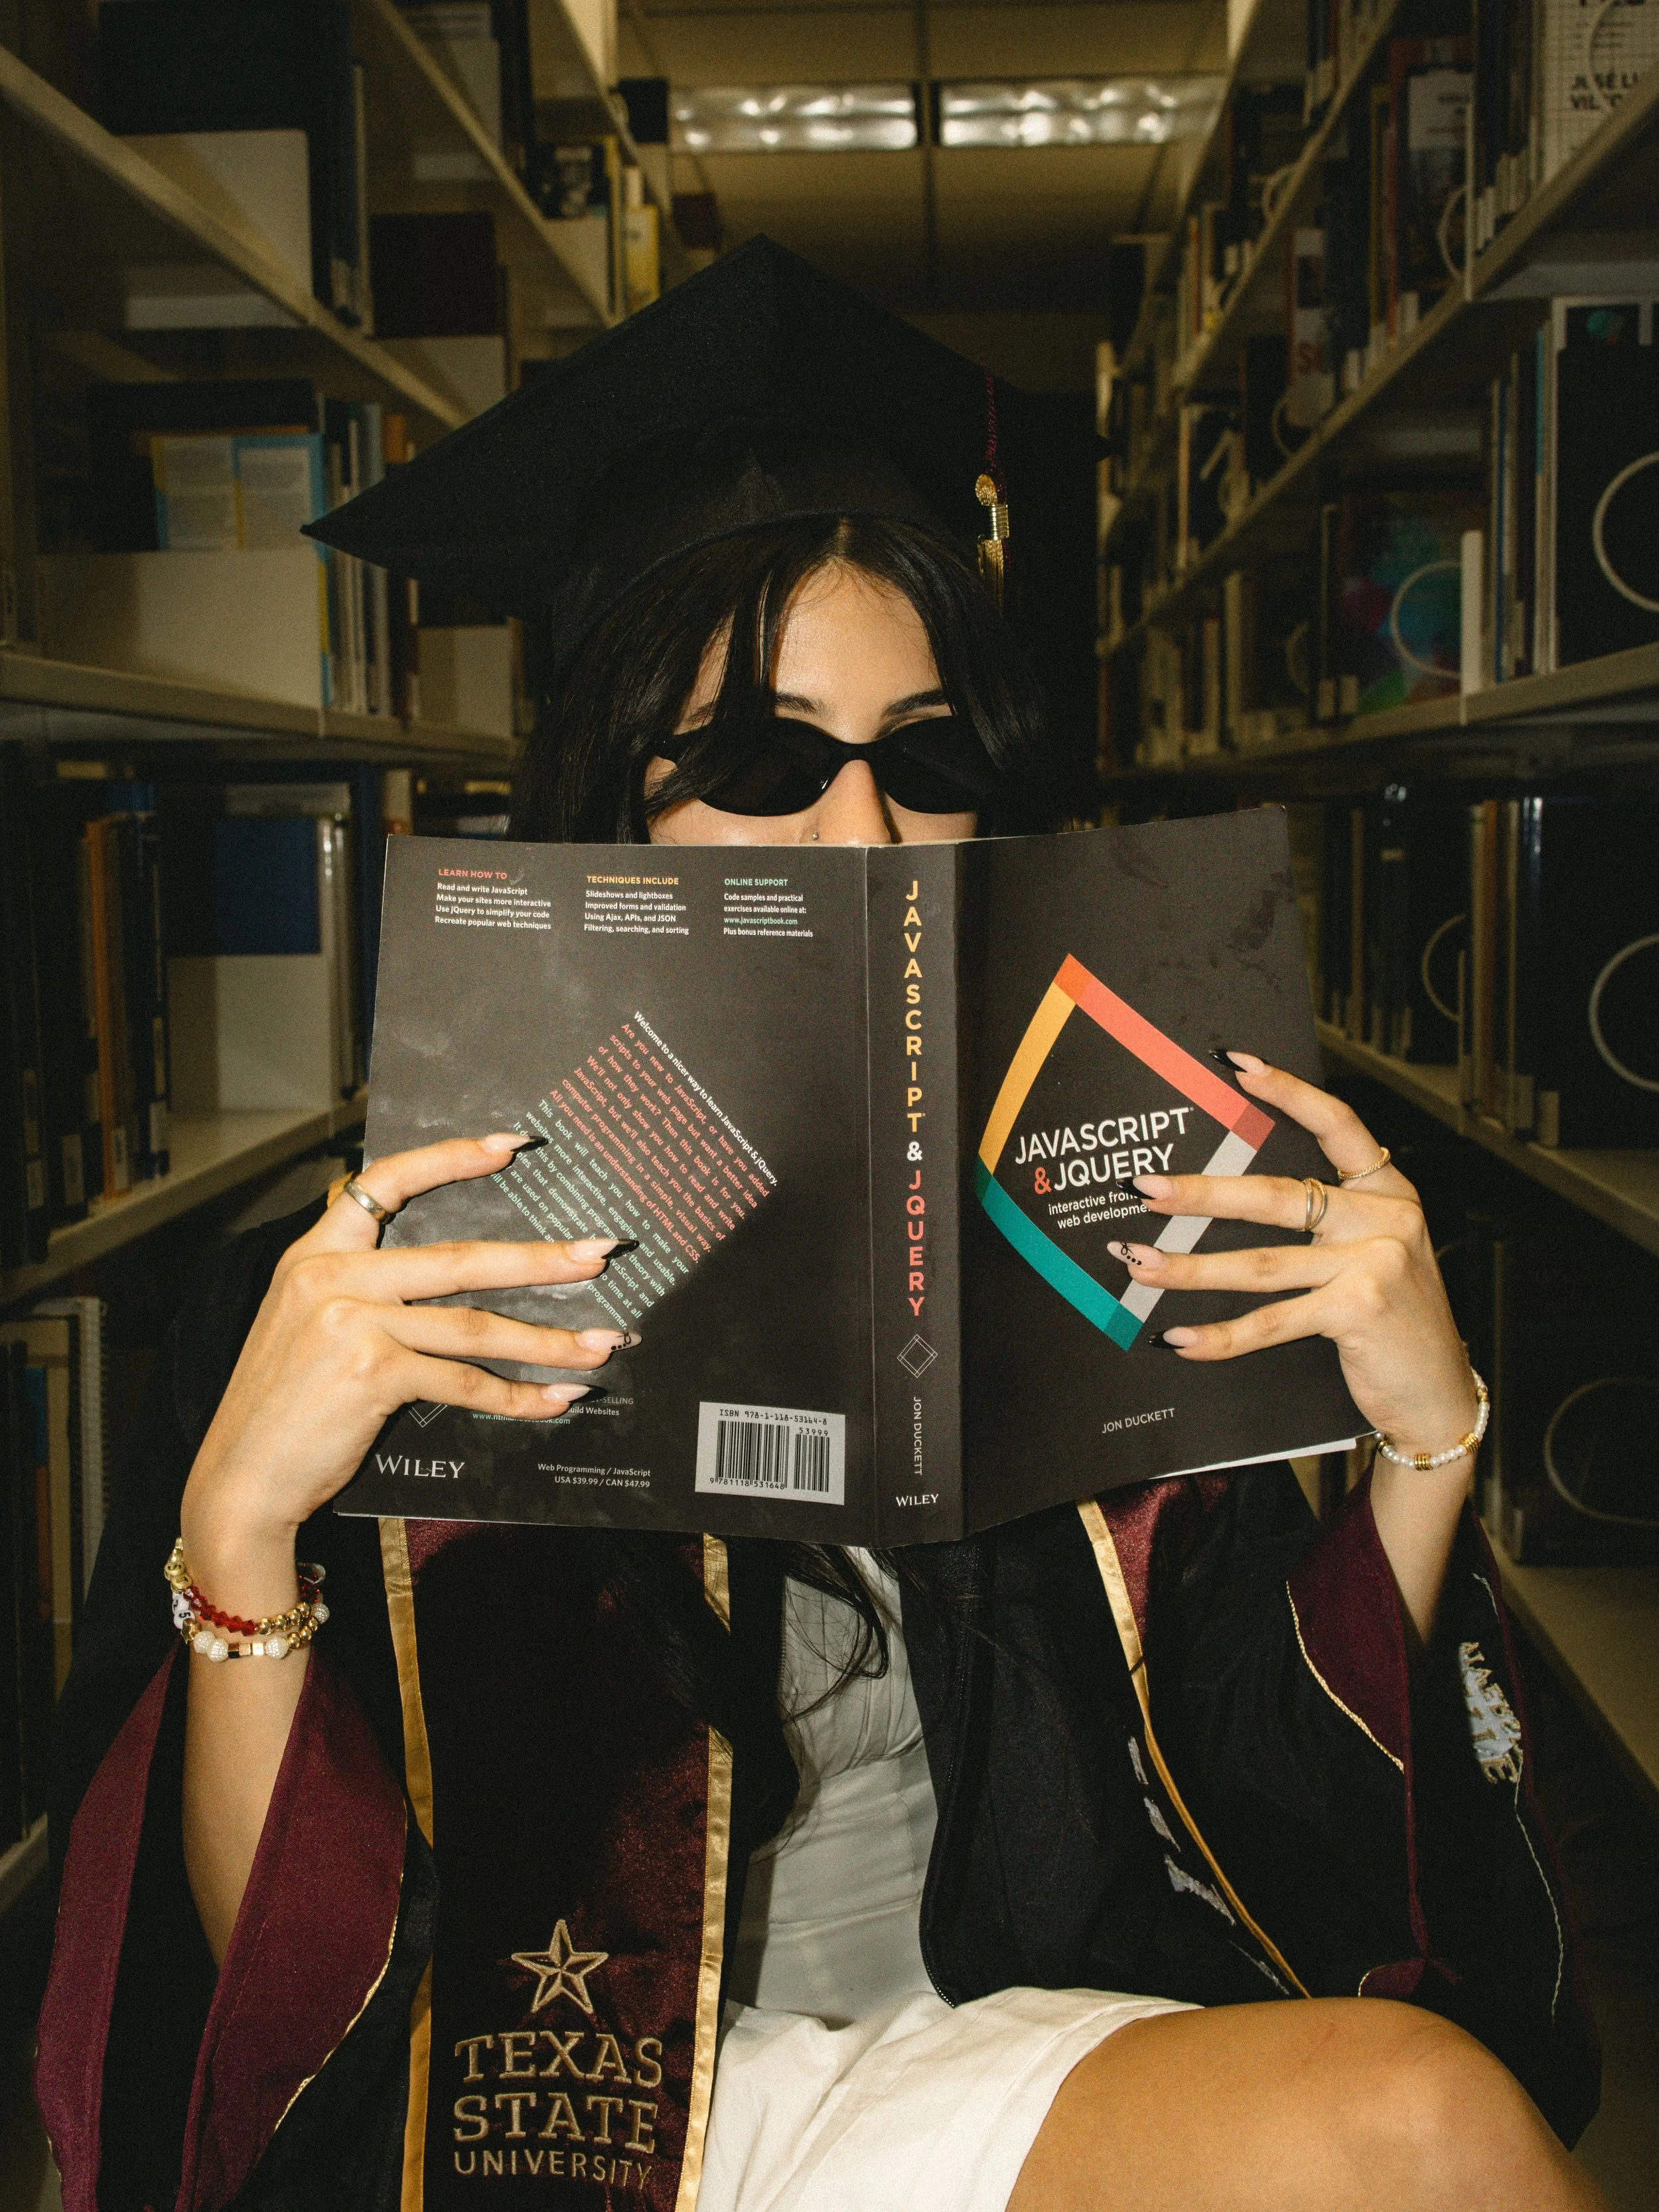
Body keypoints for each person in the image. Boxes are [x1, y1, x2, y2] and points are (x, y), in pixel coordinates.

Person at [38, 240, 1600, 2212]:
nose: (863, 841)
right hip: (572, 2100)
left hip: (1003, 2032)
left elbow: (1243, 1785)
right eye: (767, 764)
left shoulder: (1079, 1160)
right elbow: (279, 2007)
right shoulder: (383, 1265)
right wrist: (244, 1534)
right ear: (612, 803)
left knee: (1426, 2121)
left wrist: (1413, 1433)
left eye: (926, 762)